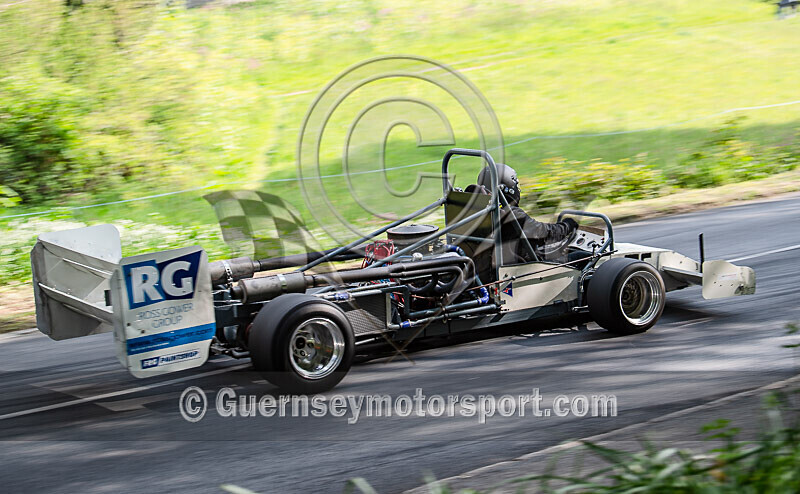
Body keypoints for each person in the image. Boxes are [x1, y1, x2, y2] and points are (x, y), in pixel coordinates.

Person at [476, 163, 578, 264]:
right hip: (521, 270)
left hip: (487, 268)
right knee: (583, 256)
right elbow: (547, 234)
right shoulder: (511, 215)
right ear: (506, 188)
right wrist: (568, 225)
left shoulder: (476, 212)